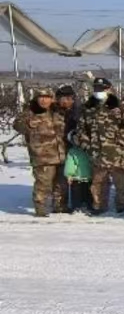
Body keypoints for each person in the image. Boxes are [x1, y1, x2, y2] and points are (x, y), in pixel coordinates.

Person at [77, 78, 124, 216]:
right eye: (96, 88)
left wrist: (122, 141)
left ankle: (121, 205)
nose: (99, 91)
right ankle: (99, 205)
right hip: (97, 151)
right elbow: (81, 129)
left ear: (109, 89)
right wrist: (86, 145)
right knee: (98, 182)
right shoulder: (88, 106)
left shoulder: (120, 105)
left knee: (120, 181)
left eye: (102, 88)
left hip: (117, 151)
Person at [14, 87, 68, 217]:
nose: (44, 100)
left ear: (52, 99)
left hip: (60, 154)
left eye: (47, 97)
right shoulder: (30, 112)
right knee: (43, 184)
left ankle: (60, 206)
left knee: (60, 184)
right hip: (42, 156)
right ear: (36, 99)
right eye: (41, 97)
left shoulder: (57, 112)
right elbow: (17, 126)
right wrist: (28, 123)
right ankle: (41, 208)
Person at [57, 85, 91, 212]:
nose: (62, 101)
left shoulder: (79, 111)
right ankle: (63, 202)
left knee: (82, 176)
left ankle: (84, 201)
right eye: (60, 98)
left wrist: (76, 140)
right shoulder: (57, 110)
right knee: (66, 176)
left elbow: (81, 129)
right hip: (61, 146)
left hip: (76, 146)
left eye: (66, 98)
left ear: (71, 98)